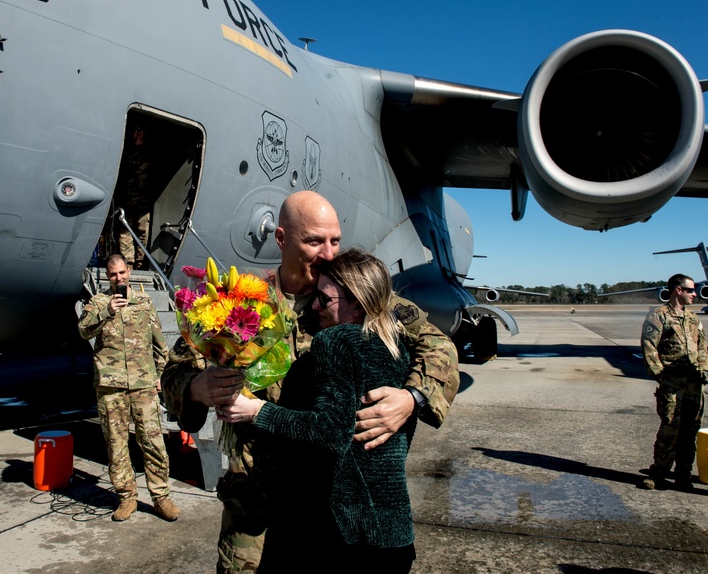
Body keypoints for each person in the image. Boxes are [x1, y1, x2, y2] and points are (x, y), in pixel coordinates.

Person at [161, 190, 459, 572]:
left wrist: (411, 397)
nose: (329, 253)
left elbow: (438, 345)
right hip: (257, 500)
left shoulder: (357, 296)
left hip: (330, 501)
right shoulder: (240, 301)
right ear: (282, 239)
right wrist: (198, 388)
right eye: (315, 241)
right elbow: (173, 372)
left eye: (335, 240)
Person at [220, 249, 417, 572]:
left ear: (358, 304)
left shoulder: (335, 341)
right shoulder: (398, 350)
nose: (314, 307)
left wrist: (256, 410)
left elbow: (329, 432)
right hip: (393, 534)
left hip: (340, 536)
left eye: (324, 300)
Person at [78, 254, 181, 522]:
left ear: (130, 271)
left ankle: (161, 497)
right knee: (116, 444)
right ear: (107, 276)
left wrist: (160, 375)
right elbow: (84, 330)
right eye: (113, 275)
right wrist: (107, 310)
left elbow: (161, 345)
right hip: (110, 387)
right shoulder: (98, 303)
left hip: (142, 385)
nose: (119, 278)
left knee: (153, 441)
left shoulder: (144, 303)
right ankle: (126, 498)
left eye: (122, 273)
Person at [638, 273, 708, 491]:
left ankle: (683, 475)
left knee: (691, 430)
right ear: (677, 290)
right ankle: (658, 473)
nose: (694, 294)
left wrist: (705, 368)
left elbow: (702, 347)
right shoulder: (658, 316)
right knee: (669, 428)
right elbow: (649, 347)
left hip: (694, 384)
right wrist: (660, 374)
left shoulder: (693, 319)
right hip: (672, 384)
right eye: (690, 290)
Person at [116, 125, 151, 270]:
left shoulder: (150, 153)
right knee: (125, 232)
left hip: (144, 200)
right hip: (127, 199)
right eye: (135, 131)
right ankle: (128, 265)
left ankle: (140, 264)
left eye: (141, 131)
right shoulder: (124, 153)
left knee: (143, 232)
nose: (138, 134)